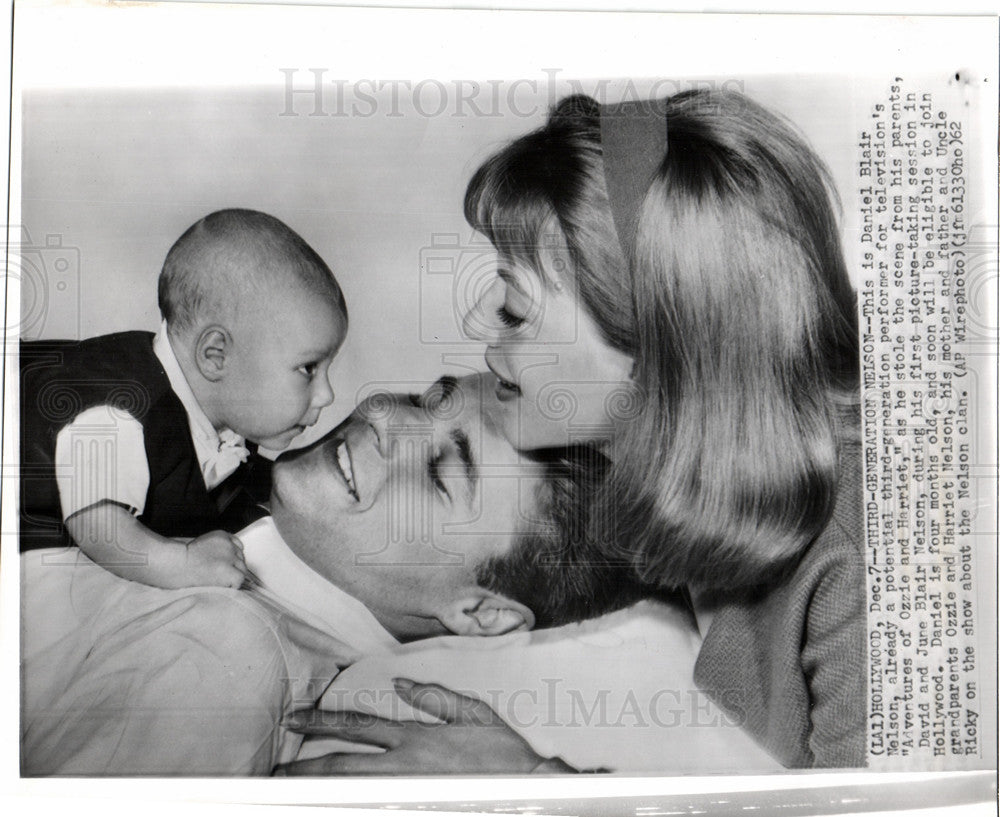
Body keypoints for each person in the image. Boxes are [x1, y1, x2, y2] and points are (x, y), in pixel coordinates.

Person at [309, 89, 864, 769]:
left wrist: (529, 783)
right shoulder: (651, 465)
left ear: (654, 355)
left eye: (515, 307)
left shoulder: (866, 557)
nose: (482, 322)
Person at [21, 374, 650, 775]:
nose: (380, 411)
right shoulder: (213, 462)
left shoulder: (221, 660)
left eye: (438, 474)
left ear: (480, 613)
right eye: (424, 400)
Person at [19, 208, 347, 589]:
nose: (327, 395)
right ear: (215, 356)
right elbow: (98, 526)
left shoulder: (225, 427)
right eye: (308, 368)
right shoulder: (125, 411)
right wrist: (181, 564)